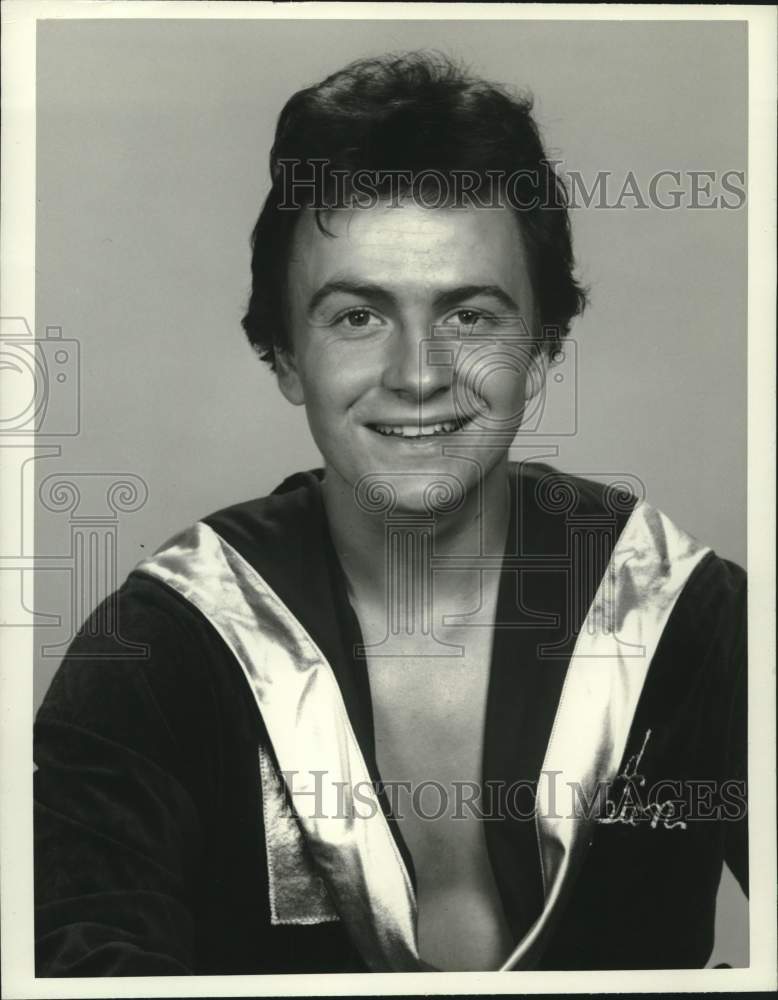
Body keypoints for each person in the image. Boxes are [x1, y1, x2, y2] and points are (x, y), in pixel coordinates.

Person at [34, 52, 747, 975]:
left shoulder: (688, 617)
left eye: (472, 316)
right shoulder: (159, 652)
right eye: (357, 317)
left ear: (542, 349)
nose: (419, 374)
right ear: (285, 354)